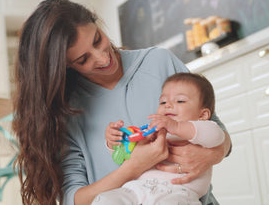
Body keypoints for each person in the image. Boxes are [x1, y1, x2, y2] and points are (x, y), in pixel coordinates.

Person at [12, 0, 231, 205]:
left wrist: (214, 153)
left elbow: (217, 130)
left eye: (97, 40)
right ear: (64, 66)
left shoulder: (158, 62)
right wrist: (134, 167)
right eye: (82, 59)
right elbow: (74, 200)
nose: (102, 58)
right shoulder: (67, 109)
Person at [96, 73, 225, 204]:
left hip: (177, 193)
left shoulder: (203, 129)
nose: (167, 105)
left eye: (180, 100)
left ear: (202, 115)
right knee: (105, 199)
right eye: (163, 101)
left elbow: (217, 137)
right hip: (137, 188)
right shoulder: (153, 131)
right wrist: (115, 140)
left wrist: (176, 126)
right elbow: (127, 154)